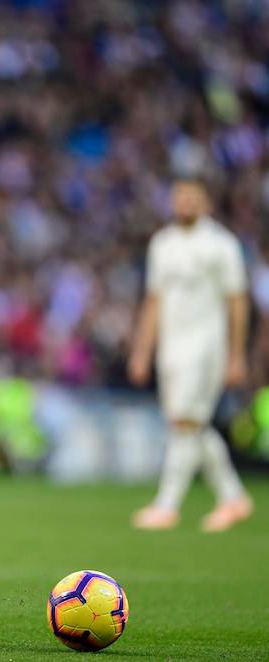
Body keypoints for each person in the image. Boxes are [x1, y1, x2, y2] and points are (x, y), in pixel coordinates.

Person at [128, 180, 254, 532]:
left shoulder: (221, 244)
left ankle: (166, 505)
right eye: (179, 196)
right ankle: (233, 496)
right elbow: (153, 301)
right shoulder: (162, 243)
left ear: (206, 201)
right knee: (190, 423)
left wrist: (237, 354)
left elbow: (237, 301)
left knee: (185, 421)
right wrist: (142, 350)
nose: (185, 202)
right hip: (171, 347)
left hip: (207, 345)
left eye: (192, 197)